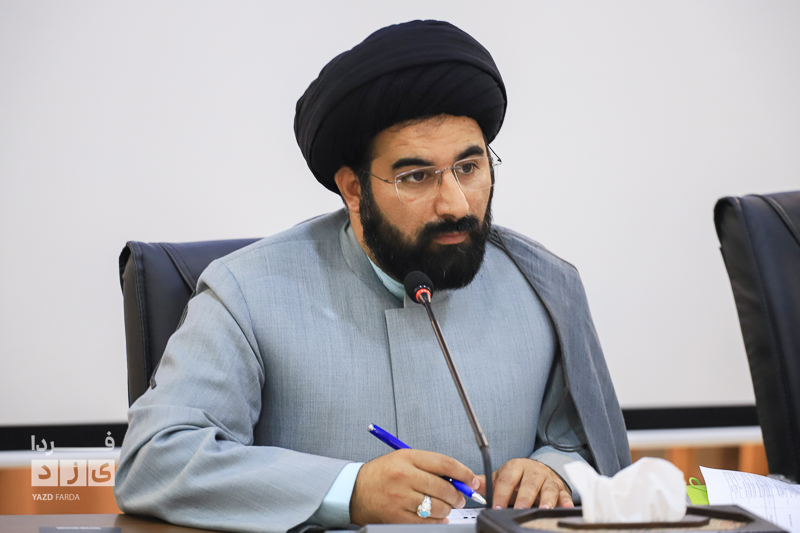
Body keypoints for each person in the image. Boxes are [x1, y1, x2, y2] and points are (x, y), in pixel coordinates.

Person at [114, 20, 630, 533]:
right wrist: (349, 491)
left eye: (469, 168)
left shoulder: (543, 287)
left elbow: (589, 446)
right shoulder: (246, 292)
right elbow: (154, 459)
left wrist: (554, 471)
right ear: (354, 190)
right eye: (416, 176)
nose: (455, 204)